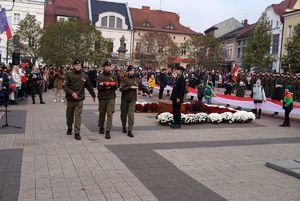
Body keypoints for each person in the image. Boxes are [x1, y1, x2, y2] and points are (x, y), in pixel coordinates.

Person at [63, 60, 96, 140]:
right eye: (76, 65)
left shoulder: (84, 75)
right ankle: (69, 127)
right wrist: (71, 93)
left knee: (78, 115)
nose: (78, 66)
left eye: (79, 65)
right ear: (73, 66)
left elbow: (89, 85)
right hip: (70, 99)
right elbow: (64, 86)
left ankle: (77, 132)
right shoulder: (69, 74)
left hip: (79, 99)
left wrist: (93, 94)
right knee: (69, 115)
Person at [120, 65, 150, 137]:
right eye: (131, 71)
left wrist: (149, 93)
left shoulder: (137, 79)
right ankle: (124, 125)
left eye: (133, 71)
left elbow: (142, 87)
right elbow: (121, 89)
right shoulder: (124, 79)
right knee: (123, 114)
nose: (132, 72)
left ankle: (130, 130)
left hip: (132, 99)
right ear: (128, 71)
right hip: (124, 99)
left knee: (131, 114)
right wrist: (130, 87)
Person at [96, 61, 118, 139]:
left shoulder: (113, 76)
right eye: (107, 66)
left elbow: (116, 86)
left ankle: (108, 130)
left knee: (110, 114)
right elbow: (98, 87)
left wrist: (111, 86)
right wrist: (105, 85)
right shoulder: (100, 76)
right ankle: (101, 126)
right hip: (102, 97)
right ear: (103, 67)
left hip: (111, 97)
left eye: (109, 66)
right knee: (102, 113)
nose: (108, 68)